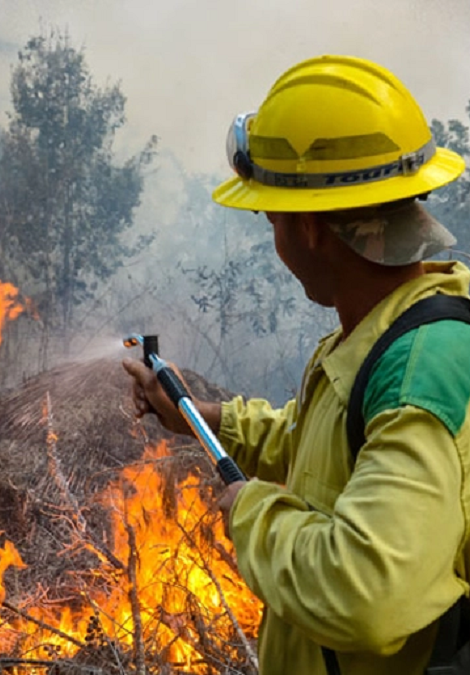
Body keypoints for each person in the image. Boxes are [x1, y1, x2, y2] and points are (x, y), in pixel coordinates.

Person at [123, 55, 470, 675]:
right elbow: (326, 446)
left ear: (308, 227)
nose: (275, 237)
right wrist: (204, 417)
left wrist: (251, 511)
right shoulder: (384, 336)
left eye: (271, 218)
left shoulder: (417, 373)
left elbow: (365, 594)